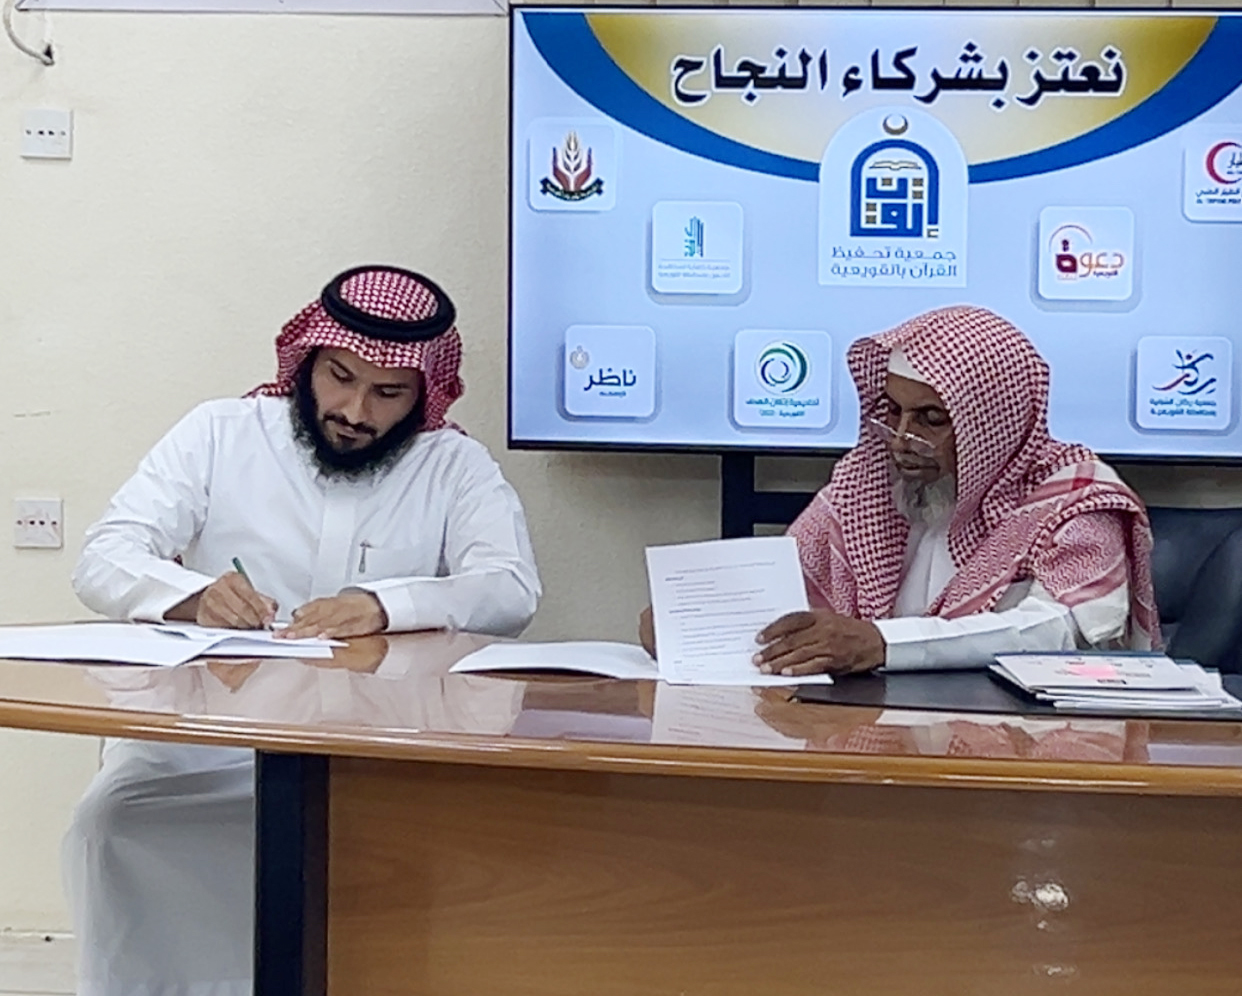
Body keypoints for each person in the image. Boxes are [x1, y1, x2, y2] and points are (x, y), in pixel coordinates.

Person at [65, 265, 541, 996]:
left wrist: (387, 605)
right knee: (111, 825)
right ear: (307, 361)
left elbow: (510, 590)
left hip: (374, 751)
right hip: (203, 745)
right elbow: (104, 557)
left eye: (388, 393)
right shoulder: (221, 432)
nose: (355, 411)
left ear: (423, 394)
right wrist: (194, 597)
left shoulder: (452, 466)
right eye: (339, 378)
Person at [639, 305, 1157, 675]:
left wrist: (883, 644)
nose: (902, 439)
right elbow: (781, 592)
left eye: (931, 418)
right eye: (892, 411)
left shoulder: (1075, 498)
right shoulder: (866, 485)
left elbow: (1063, 630)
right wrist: (691, 624)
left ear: (991, 422)